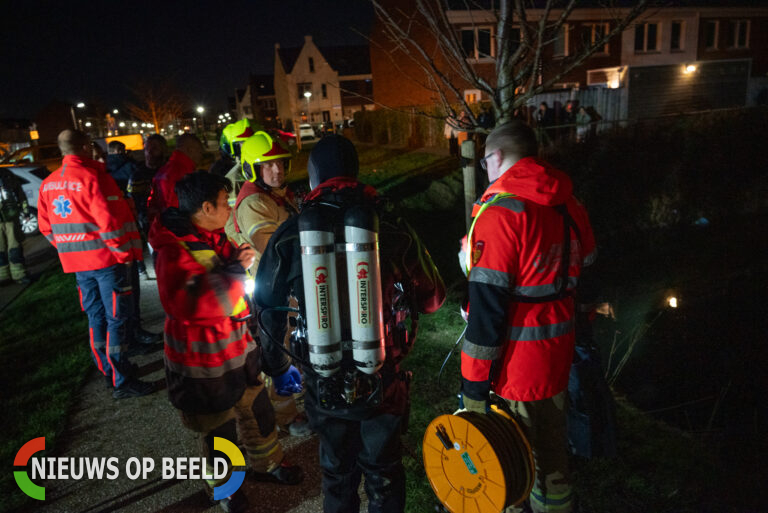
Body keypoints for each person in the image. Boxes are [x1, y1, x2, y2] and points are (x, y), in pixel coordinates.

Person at [255, 135, 445, 513]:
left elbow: (266, 307)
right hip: (381, 376)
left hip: (322, 379)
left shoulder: (291, 234)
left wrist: (277, 368)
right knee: (384, 472)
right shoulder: (392, 226)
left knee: (337, 475)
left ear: (313, 177)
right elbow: (434, 298)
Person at [460, 121, 596, 513]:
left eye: (485, 161)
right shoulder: (570, 203)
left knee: (511, 461)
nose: (486, 169)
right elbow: (588, 273)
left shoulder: (501, 213)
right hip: (558, 352)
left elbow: (487, 315)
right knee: (553, 453)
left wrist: (473, 385)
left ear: (497, 156)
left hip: (515, 366)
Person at [148, 171, 303, 513]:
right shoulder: (174, 251)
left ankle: (268, 465)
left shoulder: (212, 237)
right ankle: (227, 489)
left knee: (257, 411)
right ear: (205, 208)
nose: (230, 208)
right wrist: (235, 271)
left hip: (237, 349)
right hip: (203, 364)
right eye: (224, 203)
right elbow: (190, 305)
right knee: (219, 432)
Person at [38, 130, 155, 399]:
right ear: (84, 147)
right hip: (107, 262)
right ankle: (121, 381)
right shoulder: (92, 178)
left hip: (78, 266)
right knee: (117, 319)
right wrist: (123, 255)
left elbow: (46, 228)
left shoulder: (48, 184)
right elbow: (108, 225)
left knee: (95, 318)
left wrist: (69, 249)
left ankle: (108, 371)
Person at [224, 130, 309, 437]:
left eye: (281, 163)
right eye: (268, 165)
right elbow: (273, 246)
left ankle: (296, 400)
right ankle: (287, 414)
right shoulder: (254, 203)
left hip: (282, 287)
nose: (278, 170)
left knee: (292, 346)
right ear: (252, 168)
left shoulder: (274, 195)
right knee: (279, 352)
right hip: (271, 291)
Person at [147, 133, 203, 223]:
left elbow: (152, 203)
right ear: (190, 149)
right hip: (181, 229)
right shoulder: (185, 173)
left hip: (161, 226)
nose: (201, 156)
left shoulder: (163, 170)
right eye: (199, 151)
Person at [0, 168, 31, 285]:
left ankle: (20, 275)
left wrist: (25, 211)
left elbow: (20, 194)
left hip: (11, 219)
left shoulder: (6, 175)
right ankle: (3, 277)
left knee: (15, 247)